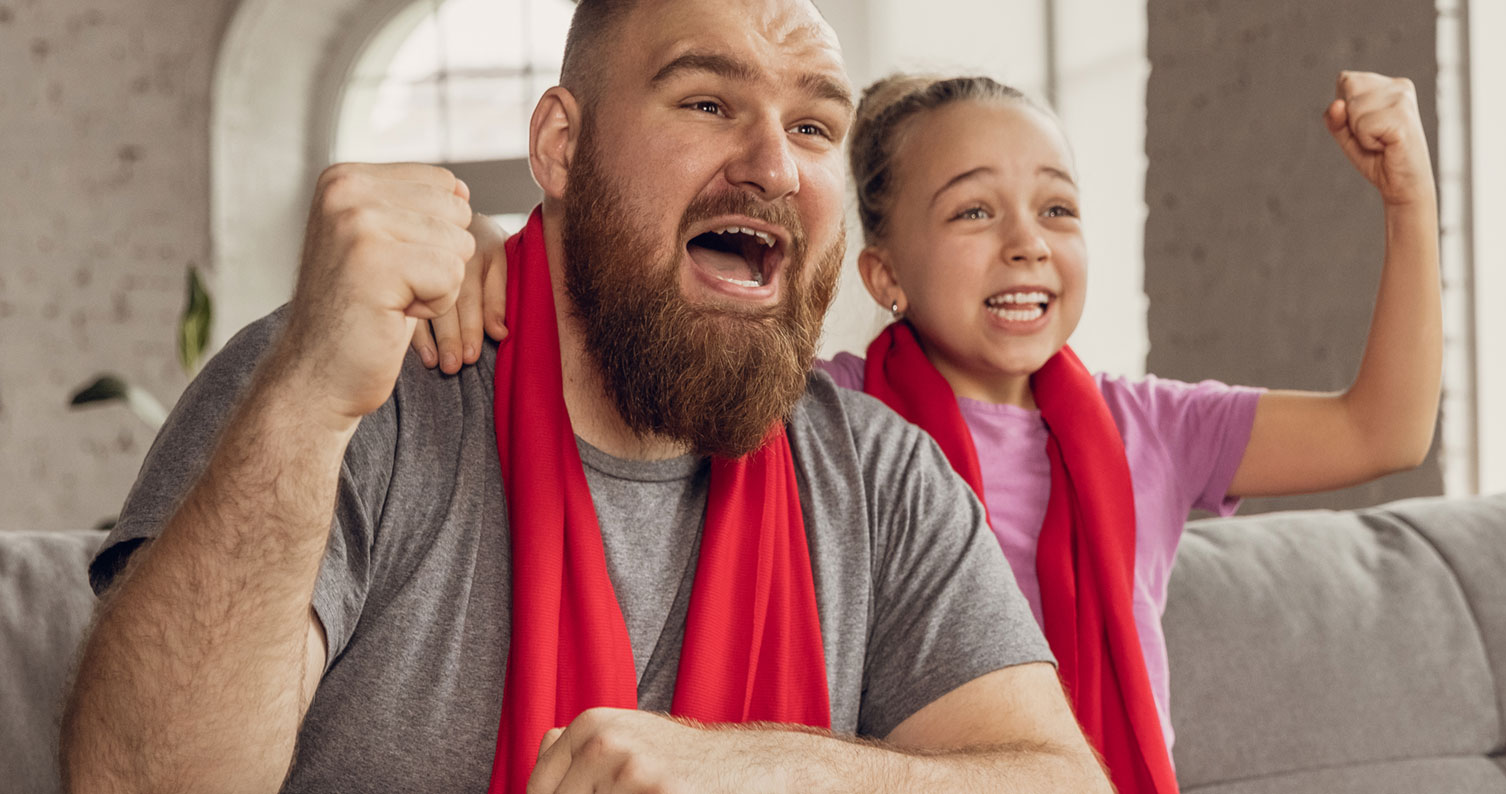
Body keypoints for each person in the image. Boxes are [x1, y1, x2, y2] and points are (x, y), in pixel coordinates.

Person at [60, 0, 1113, 794]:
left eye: (811, 126)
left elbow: (1053, 776)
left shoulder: (879, 477)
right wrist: (307, 397)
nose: (774, 165)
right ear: (562, 147)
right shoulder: (348, 397)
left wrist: (765, 770)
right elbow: (138, 780)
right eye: (707, 102)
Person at [437, 68, 1442, 793]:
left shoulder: (1153, 428)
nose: (1025, 244)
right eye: (973, 214)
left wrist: (1409, 202)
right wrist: (498, 250)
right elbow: (647, 347)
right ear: (883, 274)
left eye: (1057, 209)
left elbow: (1382, 429)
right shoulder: (827, 428)